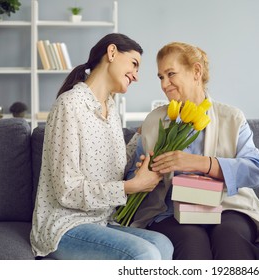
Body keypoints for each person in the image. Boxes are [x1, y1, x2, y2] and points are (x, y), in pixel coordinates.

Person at [127, 41, 259, 260]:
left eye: (171, 74)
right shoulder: (154, 121)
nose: (164, 84)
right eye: (160, 77)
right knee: (191, 242)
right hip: (171, 212)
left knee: (230, 238)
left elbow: (256, 171)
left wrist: (198, 163)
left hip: (227, 207)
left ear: (196, 71)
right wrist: (143, 174)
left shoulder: (232, 117)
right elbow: (132, 177)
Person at [30, 33, 173, 260]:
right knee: (145, 255)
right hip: (65, 224)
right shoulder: (69, 105)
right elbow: (67, 190)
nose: (136, 76)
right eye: (134, 64)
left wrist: (142, 136)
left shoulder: (111, 108)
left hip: (102, 221)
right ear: (112, 52)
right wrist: (130, 187)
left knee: (163, 245)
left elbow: (111, 167)